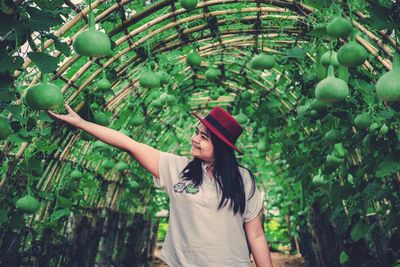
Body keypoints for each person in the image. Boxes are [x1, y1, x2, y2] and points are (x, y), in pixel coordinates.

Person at [47, 104, 273, 267]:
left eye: (204, 137)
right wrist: (81, 123)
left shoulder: (243, 180)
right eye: (196, 132)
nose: (195, 139)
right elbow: (129, 144)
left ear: (222, 148)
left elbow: (256, 236)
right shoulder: (177, 169)